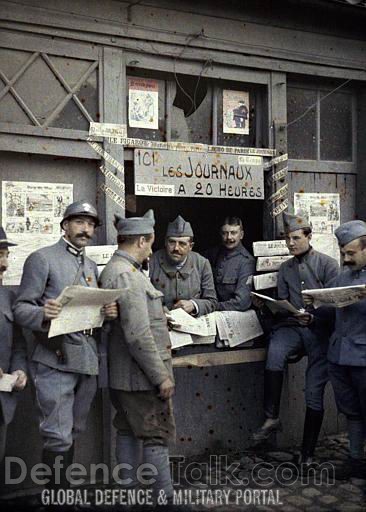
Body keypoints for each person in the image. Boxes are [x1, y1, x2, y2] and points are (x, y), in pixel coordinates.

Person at [13, 200, 117, 490]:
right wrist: (41, 314)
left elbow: (91, 315)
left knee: (73, 431)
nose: (85, 229)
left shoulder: (91, 266)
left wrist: (107, 315)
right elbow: (21, 308)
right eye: (79, 222)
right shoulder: (42, 258)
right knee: (57, 435)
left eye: (90, 224)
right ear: (65, 225)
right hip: (54, 358)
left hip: (86, 359)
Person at [99, 210, 176, 504]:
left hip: (126, 375)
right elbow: (138, 334)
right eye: (151, 243)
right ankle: (164, 500)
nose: (151, 249)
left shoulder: (118, 269)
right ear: (143, 240)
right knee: (155, 434)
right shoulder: (127, 274)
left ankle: (126, 497)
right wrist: (161, 376)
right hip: (140, 376)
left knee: (129, 431)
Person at [252, 211, 339, 466]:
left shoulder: (328, 264)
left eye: (295, 238)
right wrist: (275, 308)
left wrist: (315, 317)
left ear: (309, 236)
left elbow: (337, 304)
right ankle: (271, 417)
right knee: (275, 352)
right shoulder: (285, 269)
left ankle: (308, 454)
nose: (290, 243)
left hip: (321, 333)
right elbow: (283, 303)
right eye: (287, 239)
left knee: (313, 390)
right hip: (293, 329)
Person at [309, 220, 366, 478]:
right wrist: (312, 311)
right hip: (339, 357)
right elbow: (330, 313)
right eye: (343, 253)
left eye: (351, 253)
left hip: (364, 358)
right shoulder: (342, 277)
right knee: (351, 411)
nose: (345, 258)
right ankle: (355, 460)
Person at [149, 215, 217, 316]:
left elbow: (212, 302)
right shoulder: (151, 262)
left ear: (190, 246)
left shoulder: (202, 264)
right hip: (160, 322)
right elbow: (140, 298)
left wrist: (194, 305)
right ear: (165, 242)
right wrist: (157, 309)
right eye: (172, 242)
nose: (176, 248)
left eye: (182, 244)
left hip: (192, 324)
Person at [0, 228, 27, 476]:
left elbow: (18, 344)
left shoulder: (7, 297)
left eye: (6, 255)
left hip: (2, 401)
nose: (4, 264)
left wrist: (19, 370)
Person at [205, 217, 255, 311]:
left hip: (233, 314)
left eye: (233, 233)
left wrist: (210, 307)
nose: (229, 237)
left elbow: (241, 303)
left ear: (241, 235)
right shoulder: (213, 254)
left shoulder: (246, 262)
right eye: (225, 233)